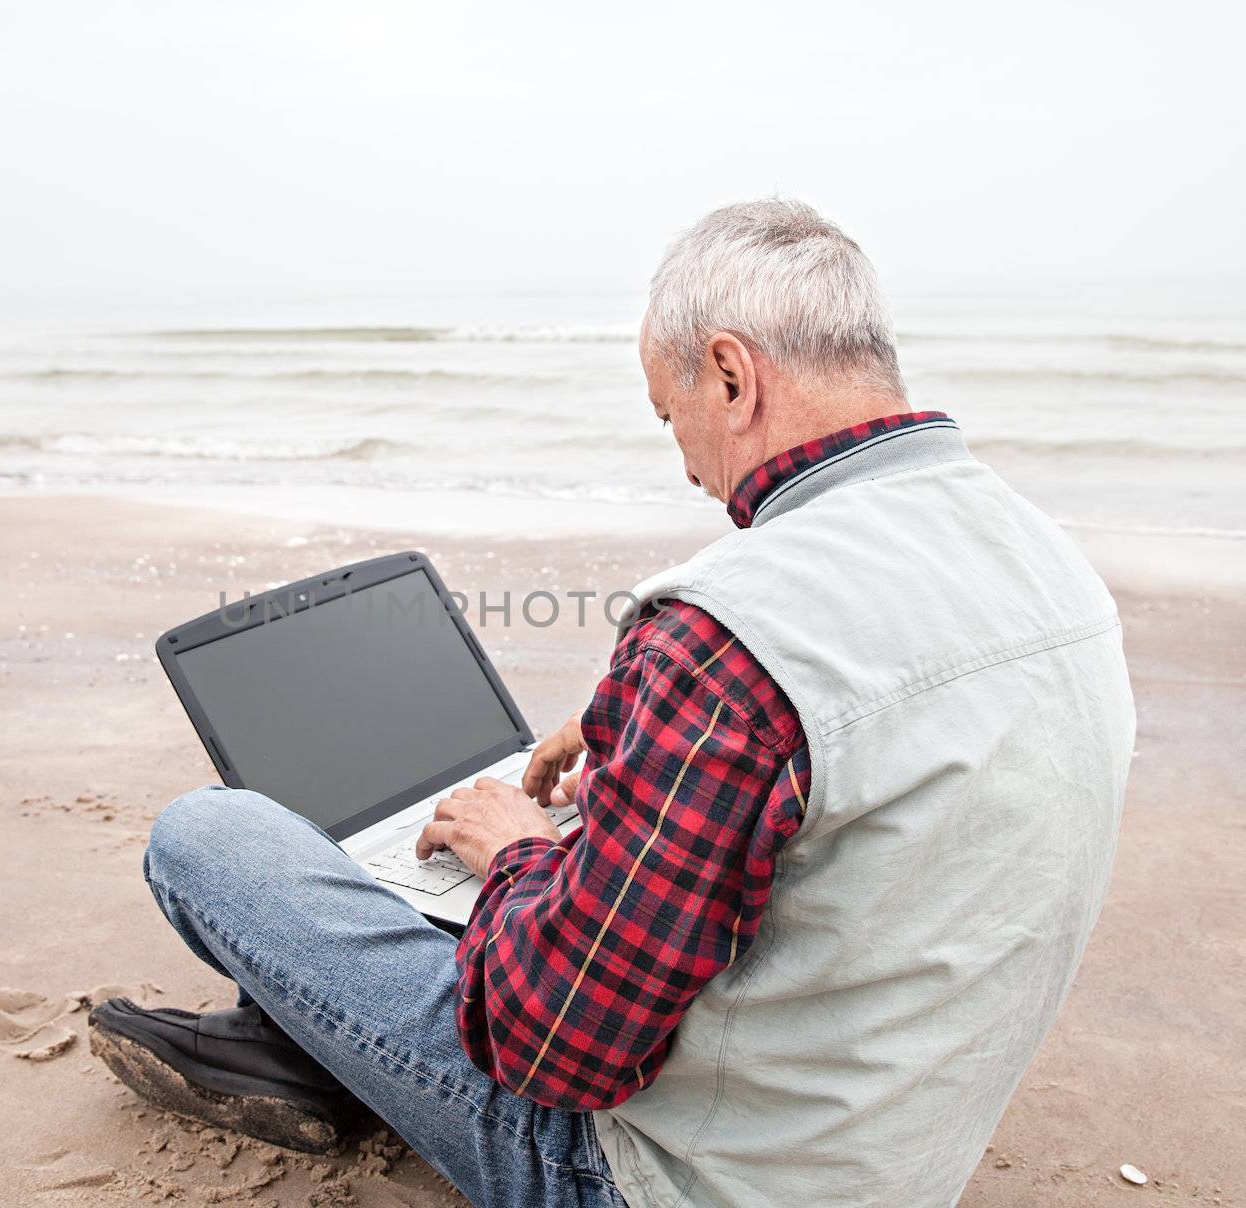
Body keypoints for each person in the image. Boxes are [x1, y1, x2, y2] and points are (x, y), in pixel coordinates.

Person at [89, 199, 1135, 1208]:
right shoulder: (1045, 561)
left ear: (729, 375)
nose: (682, 461)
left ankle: (309, 1053)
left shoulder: (729, 637)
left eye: (667, 412)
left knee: (207, 833)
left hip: (663, 1178)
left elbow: (555, 1048)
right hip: (897, 1147)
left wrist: (515, 851)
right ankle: (305, 1047)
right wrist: (646, 752)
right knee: (533, 878)